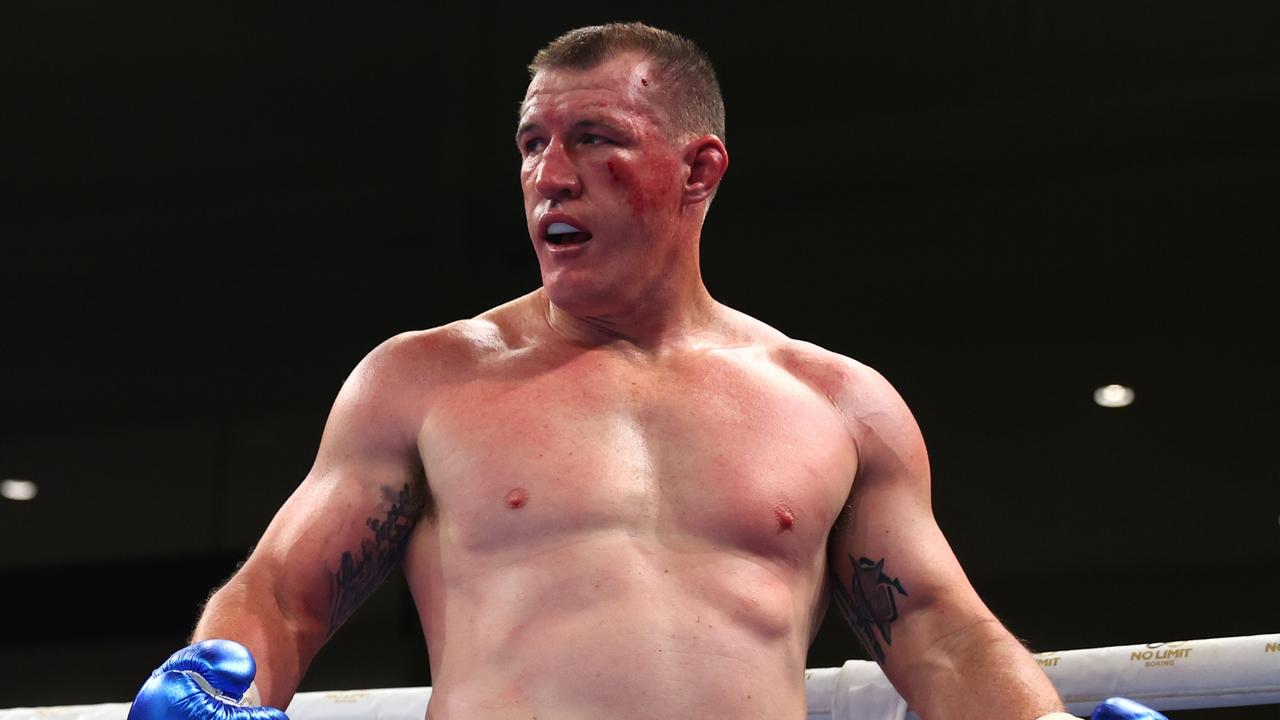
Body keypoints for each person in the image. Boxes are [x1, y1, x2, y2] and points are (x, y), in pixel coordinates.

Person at [129, 23, 1164, 720]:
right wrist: (217, 688)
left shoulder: (832, 403)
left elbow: (937, 631)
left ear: (698, 169)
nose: (548, 174)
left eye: (592, 137)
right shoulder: (424, 381)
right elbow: (283, 594)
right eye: (531, 142)